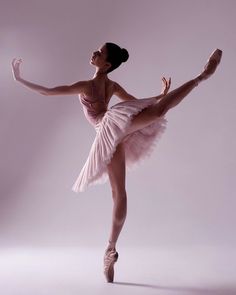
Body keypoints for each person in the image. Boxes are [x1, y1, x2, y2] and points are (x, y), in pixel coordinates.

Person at [11, 43, 222, 283]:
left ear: (107, 65)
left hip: (111, 127)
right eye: (96, 51)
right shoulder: (109, 86)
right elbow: (134, 102)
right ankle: (109, 250)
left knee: (157, 113)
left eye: (99, 53)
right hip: (112, 134)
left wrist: (20, 79)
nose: (94, 53)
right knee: (119, 194)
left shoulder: (89, 86)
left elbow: (49, 92)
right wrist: (160, 97)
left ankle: (203, 75)